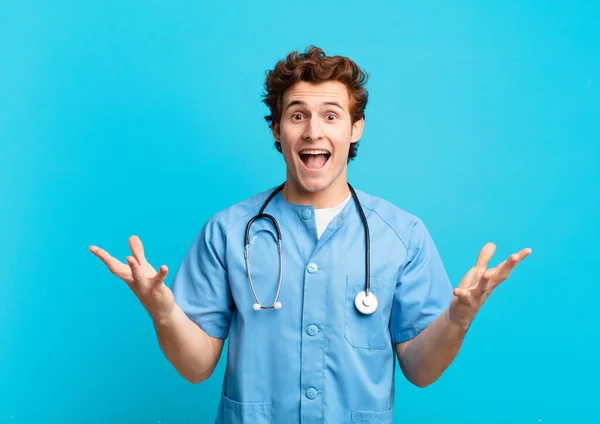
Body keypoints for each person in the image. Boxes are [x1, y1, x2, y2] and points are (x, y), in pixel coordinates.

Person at [89, 46, 531, 424]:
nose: (313, 131)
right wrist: (164, 313)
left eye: (331, 115)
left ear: (355, 128)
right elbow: (196, 365)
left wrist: (457, 320)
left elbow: (420, 368)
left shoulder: (402, 235)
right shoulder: (227, 231)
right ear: (278, 130)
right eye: (297, 115)